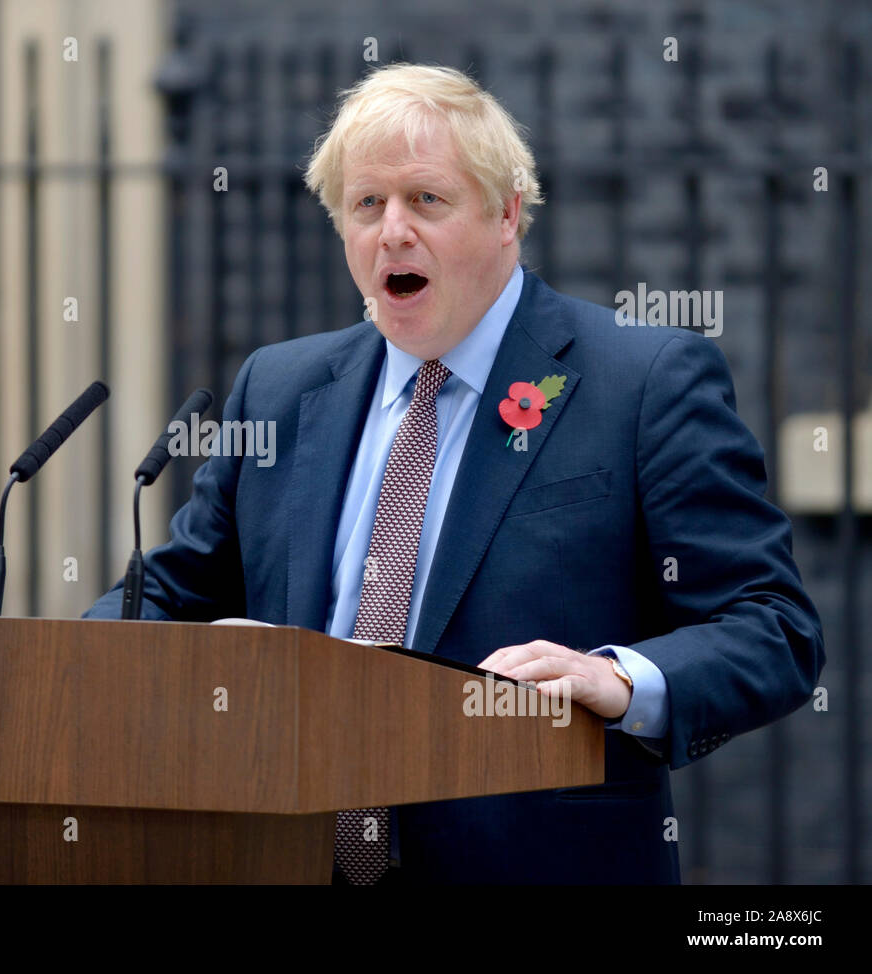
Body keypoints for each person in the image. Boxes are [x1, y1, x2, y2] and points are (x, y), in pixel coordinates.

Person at [84, 63, 824, 884]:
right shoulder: (283, 388)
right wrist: (104, 662)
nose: (392, 231)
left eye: (425, 201)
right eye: (366, 205)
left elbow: (772, 629)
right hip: (283, 860)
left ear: (508, 214)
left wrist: (614, 677)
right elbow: (170, 594)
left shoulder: (643, 381)